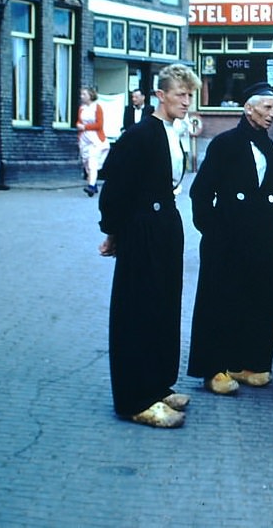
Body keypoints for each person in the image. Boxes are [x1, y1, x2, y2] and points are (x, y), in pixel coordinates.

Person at [97, 63, 199, 428]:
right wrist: (113, 232)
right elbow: (115, 188)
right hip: (141, 227)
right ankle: (135, 398)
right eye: (180, 95)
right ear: (161, 96)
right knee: (138, 309)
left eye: (190, 95)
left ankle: (157, 384)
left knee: (164, 305)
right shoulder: (139, 135)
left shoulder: (175, 131)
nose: (186, 101)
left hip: (166, 223)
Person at [187, 82, 273, 395]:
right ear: (249, 109)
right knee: (220, 301)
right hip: (227, 238)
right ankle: (213, 368)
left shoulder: (268, 145)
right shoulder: (225, 143)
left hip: (263, 238)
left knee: (261, 299)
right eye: (267, 107)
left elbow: (272, 192)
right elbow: (201, 192)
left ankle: (247, 363)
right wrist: (213, 231)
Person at [77, 87, 110, 197]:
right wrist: (79, 125)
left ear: (90, 95)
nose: (82, 96)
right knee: (87, 163)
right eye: (81, 94)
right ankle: (94, 184)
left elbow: (99, 124)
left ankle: (91, 186)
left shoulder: (97, 107)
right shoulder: (81, 108)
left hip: (95, 139)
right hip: (84, 139)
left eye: (84, 94)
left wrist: (85, 126)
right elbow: (79, 121)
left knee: (92, 162)